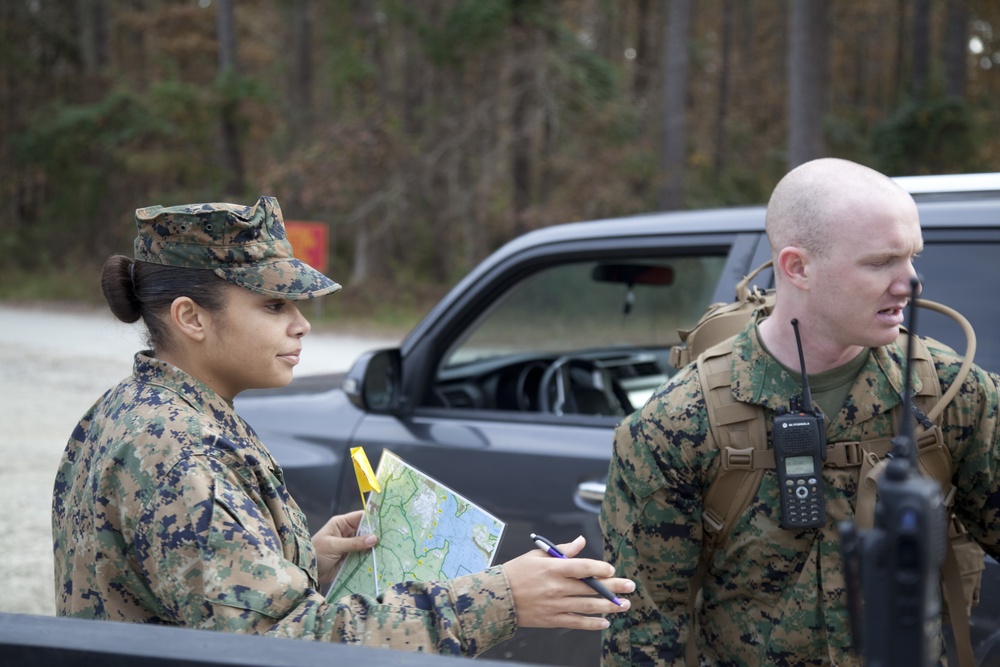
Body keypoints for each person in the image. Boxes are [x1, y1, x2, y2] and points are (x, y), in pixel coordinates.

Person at [51, 196, 633, 656]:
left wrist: (305, 559)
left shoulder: (137, 409)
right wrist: (500, 598)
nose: (301, 324)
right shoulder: (177, 450)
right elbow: (277, 646)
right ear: (190, 317)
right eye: (274, 306)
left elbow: (187, 592)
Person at [599, 158, 1000, 666]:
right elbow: (642, 639)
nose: (911, 283)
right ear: (798, 267)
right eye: (881, 263)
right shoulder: (677, 424)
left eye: (912, 257)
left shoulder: (954, 393)